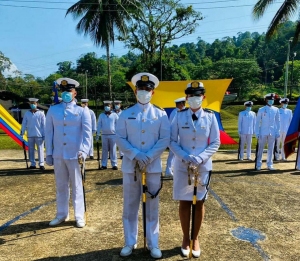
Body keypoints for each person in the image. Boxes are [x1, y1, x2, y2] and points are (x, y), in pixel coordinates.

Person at [116, 72, 170, 259]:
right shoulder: (125, 114)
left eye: (147, 89)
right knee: (130, 206)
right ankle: (130, 241)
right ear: (135, 92)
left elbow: (164, 139)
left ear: (153, 92)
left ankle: (153, 243)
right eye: (140, 89)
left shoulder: (161, 114)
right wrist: (136, 154)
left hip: (152, 167)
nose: (144, 92)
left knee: (152, 206)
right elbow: (120, 138)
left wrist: (149, 156)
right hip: (131, 167)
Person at [170, 81, 220, 258]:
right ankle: (185, 237)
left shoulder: (211, 117)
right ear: (186, 97)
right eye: (191, 96)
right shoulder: (178, 116)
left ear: (203, 97)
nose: (194, 99)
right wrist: (184, 156)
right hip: (183, 165)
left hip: (202, 166)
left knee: (199, 202)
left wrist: (200, 157)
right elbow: (172, 140)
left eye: (197, 95)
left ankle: (195, 238)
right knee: (184, 201)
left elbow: (215, 142)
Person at [45, 77, 92, 228]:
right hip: (59, 154)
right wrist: (49, 153)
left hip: (75, 155)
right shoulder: (53, 110)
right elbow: (49, 133)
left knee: (77, 186)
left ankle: (79, 216)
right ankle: (61, 214)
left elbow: (87, 134)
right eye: (63, 91)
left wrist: (84, 151)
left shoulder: (82, 111)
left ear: (75, 93)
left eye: (69, 91)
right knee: (61, 186)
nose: (66, 93)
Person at [255, 93, 280, 170]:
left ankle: (270, 164)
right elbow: (257, 122)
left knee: (271, 149)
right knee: (260, 149)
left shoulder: (276, 109)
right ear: (266, 100)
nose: (271, 101)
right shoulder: (261, 109)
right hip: (263, 131)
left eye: (272, 100)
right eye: (270, 100)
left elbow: (277, 121)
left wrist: (277, 131)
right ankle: (258, 164)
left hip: (272, 132)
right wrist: (257, 132)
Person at [20, 98, 46, 170]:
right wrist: (22, 132)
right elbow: (24, 123)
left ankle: (41, 164)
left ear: (37, 104)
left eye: (34, 103)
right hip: (30, 134)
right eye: (31, 103)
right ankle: (32, 163)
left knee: (40, 149)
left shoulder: (41, 113)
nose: (33, 105)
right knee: (31, 150)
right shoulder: (27, 113)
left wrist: (45, 134)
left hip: (39, 134)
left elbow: (44, 125)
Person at [165, 97, 186, 177]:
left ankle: (171, 170)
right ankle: (168, 171)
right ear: (180, 104)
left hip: (179, 136)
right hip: (175, 137)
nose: (184, 106)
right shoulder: (176, 113)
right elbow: (173, 126)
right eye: (183, 104)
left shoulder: (178, 112)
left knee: (175, 155)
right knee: (173, 154)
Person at [96, 101, 119, 170]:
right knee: (104, 150)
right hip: (104, 134)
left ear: (111, 107)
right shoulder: (101, 115)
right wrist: (98, 133)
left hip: (113, 134)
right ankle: (104, 164)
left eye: (108, 105)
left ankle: (114, 164)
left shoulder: (114, 115)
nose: (106, 107)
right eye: (105, 105)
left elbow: (118, 125)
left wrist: (118, 134)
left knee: (113, 150)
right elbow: (99, 124)